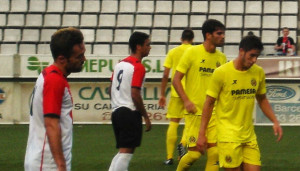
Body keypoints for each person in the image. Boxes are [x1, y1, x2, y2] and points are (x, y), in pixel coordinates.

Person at [197, 35, 283, 171]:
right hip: (228, 135)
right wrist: (202, 133)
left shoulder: (258, 72)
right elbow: (209, 103)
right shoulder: (221, 73)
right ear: (241, 51)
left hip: (248, 135)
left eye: (257, 56)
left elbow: (262, 99)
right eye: (252, 56)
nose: (254, 60)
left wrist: (275, 121)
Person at [24, 27, 86, 171]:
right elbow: (51, 123)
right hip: (47, 163)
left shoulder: (50, 75)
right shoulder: (54, 80)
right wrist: (60, 164)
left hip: (45, 160)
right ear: (61, 58)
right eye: (79, 56)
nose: (84, 59)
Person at [173, 19, 227, 171]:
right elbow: (176, 79)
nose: (223, 36)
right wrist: (186, 101)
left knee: (214, 152)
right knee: (195, 155)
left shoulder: (221, 58)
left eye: (223, 33)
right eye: (219, 33)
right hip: (194, 112)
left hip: (214, 113)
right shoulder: (191, 52)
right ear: (208, 35)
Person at [109, 32, 152, 171]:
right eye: (147, 44)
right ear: (138, 47)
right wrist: (145, 115)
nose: (149, 47)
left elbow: (110, 88)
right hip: (129, 112)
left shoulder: (119, 64)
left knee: (123, 150)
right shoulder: (138, 67)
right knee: (126, 152)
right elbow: (135, 93)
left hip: (116, 111)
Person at [159, 29, 194, 165]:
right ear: (192, 39)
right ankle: (183, 144)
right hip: (191, 92)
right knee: (189, 122)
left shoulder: (173, 52)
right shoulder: (195, 51)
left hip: (176, 91)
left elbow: (165, 75)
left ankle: (169, 157)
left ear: (181, 39)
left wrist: (162, 94)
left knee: (174, 122)